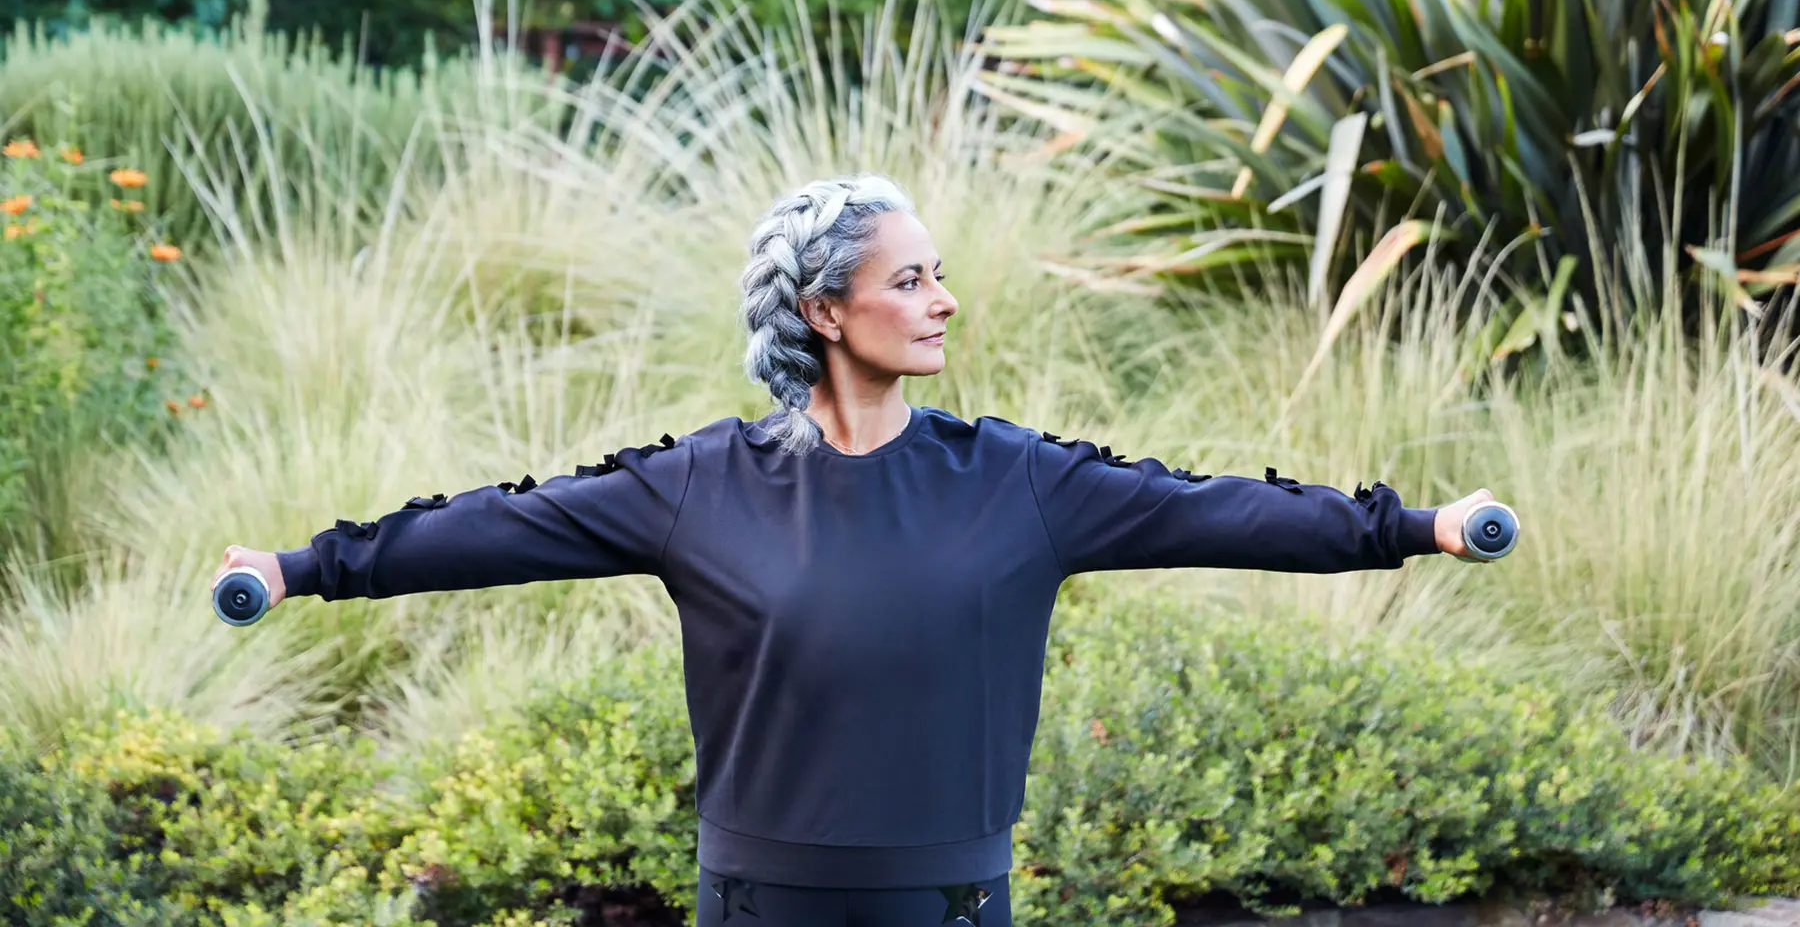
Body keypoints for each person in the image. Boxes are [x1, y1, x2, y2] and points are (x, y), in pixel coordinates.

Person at [212, 173, 1498, 927]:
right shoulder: (699, 486)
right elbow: (499, 526)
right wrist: (303, 566)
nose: (942, 301)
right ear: (825, 311)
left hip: (948, 904)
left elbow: (1214, 510)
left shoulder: (1018, 480)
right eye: (909, 282)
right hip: (761, 904)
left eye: (941, 276)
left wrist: (1410, 527)